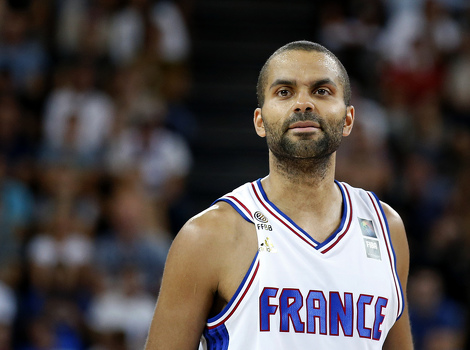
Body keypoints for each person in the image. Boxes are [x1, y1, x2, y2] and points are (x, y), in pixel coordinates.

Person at [144, 40, 414, 349]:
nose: (304, 104)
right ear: (260, 121)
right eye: (284, 92)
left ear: (348, 119)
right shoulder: (207, 235)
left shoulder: (386, 228)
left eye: (321, 91)